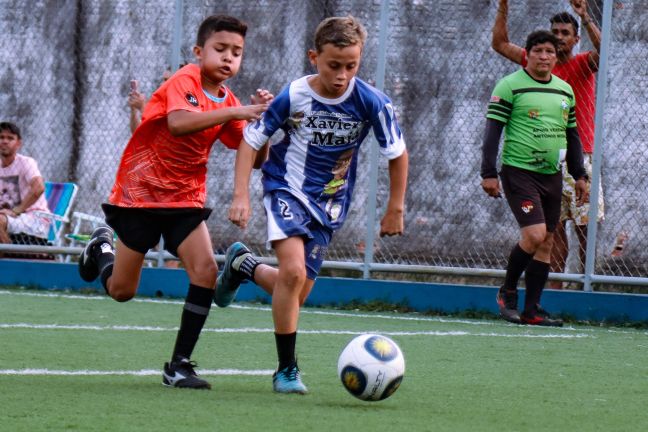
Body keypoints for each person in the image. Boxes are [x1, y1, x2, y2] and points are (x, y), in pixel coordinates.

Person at [213, 15, 409, 394]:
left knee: (296, 290)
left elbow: (397, 153)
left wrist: (395, 207)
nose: (341, 75)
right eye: (333, 65)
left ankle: (244, 266)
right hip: (285, 189)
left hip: (330, 205)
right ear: (313, 57)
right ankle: (286, 370)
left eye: (351, 66)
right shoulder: (293, 96)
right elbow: (250, 142)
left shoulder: (371, 101)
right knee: (292, 273)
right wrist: (240, 196)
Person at [77, 15, 273, 390]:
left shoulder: (228, 100)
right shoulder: (184, 80)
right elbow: (179, 123)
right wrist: (238, 112)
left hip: (185, 198)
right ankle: (101, 249)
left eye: (237, 52)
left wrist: (262, 127)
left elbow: (252, 153)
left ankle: (179, 365)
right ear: (199, 52)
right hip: (142, 195)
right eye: (220, 49)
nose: (229, 58)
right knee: (122, 291)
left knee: (205, 273)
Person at [492, 0, 604, 289]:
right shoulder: (538, 63)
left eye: (565, 32)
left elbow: (604, 53)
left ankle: (587, 288)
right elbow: (500, 43)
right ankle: (553, 290)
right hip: (546, 162)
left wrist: (586, 16)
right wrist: (503, 6)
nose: (559, 37)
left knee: (586, 226)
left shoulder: (581, 64)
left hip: (581, 155)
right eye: (555, 31)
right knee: (552, 231)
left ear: (575, 38)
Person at [481, 30, 589, 327]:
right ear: (527, 54)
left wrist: (579, 174)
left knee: (547, 241)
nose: (544, 56)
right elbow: (493, 132)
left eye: (549, 52)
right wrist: (488, 173)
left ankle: (532, 310)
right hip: (519, 172)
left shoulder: (565, 90)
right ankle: (508, 290)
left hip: (551, 176)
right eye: (538, 51)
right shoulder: (510, 86)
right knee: (534, 234)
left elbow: (572, 134)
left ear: (557, 57)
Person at [0, 122, 51, 246]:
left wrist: (17, 210)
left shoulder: (26, 163)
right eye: (1, 137)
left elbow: (39, 188)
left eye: (10, 138)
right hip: (7, 218)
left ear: (18, 143)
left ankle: (6, 258)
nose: (5, 141)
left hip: (35, 219)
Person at [128, 69, 174, 134]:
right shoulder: (159, 102)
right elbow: (137, 133)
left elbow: (158, 135)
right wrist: (134, 109)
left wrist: (142, 108)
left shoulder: (182, 106)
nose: (162, 84)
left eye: (166, 80)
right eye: (163, 80)